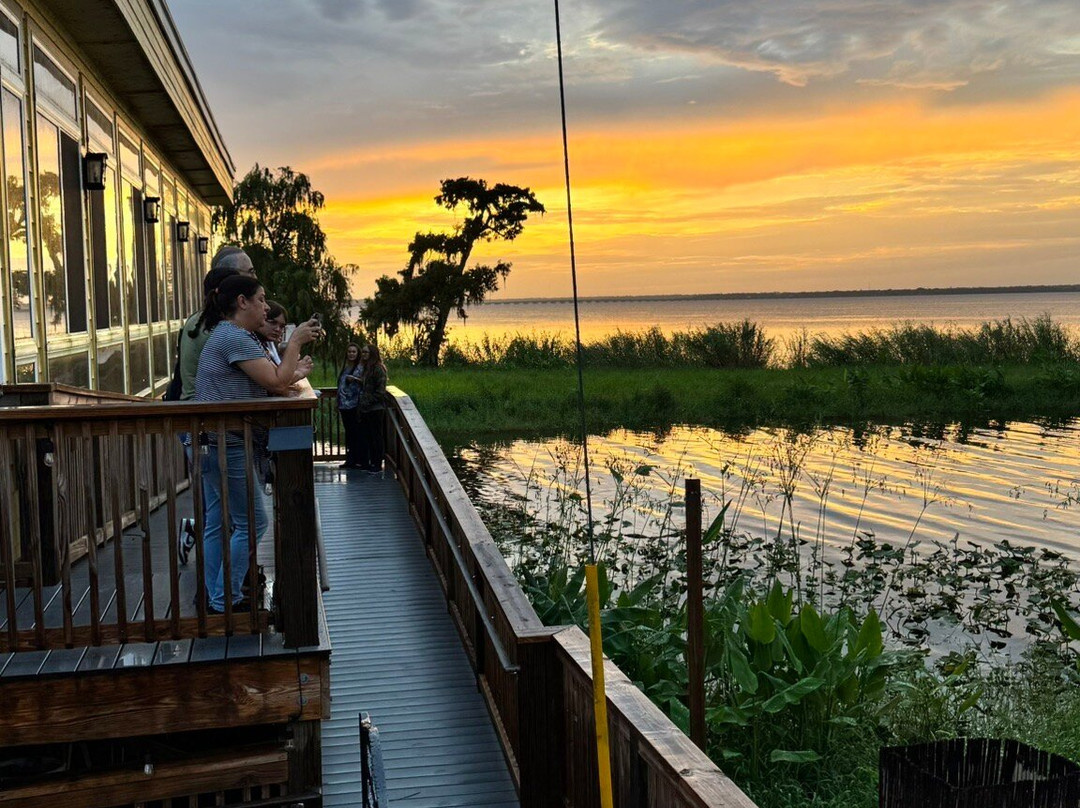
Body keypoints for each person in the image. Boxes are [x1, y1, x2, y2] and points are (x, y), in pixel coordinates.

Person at [194, 274, 322, 614]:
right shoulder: (233, 337)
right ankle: (224, 600)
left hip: (214, 441)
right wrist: (295, 342)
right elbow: (279, 381)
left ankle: (216, 595)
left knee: (223, 521)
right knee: (254, 521)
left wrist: (289, 369)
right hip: (226, 442)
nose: (266, 309)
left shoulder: (231, 336)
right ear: (242, 302)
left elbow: (274, 383)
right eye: (262, 300)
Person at [178, 246, 256, 401]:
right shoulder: (225, 329)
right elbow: (273, 380)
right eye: (251, 272)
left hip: (201, 409)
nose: (255, 278)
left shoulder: (198, 319)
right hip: (209, 414)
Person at [357, 343, 388, 473]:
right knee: (368, 436)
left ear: (372, 354)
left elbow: (380, 391)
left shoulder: (378, 369)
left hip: (375, 408)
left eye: (366, 353)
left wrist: (367, 401)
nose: (363, 355)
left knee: (376, 437)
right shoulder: (366, 368)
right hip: (366, 409)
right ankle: (370, 462)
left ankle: (377, 464)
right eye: (362, 352)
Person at [336, 344, 363, 468]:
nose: (351, 354)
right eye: (349, 352)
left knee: (356, 432)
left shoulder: (360, 368)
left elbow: (365, 383)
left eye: (354, 352)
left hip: (354, 405)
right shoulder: (346, 368)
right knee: (349, 433)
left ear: (358, 354)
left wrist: (356, 380)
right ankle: (350, 459)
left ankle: (359, 459)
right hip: (344, 405)